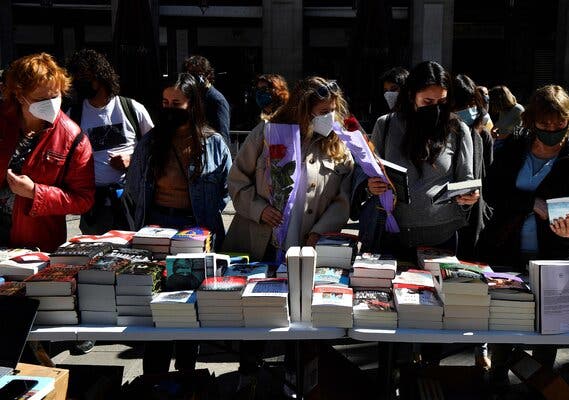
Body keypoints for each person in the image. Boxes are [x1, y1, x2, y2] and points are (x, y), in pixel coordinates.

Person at [224, 76, 354, 397]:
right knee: (258, 315)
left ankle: (295, 378)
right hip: (263, 242)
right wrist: (258, 209)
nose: (329, 117)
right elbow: (237, 179)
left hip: (307, 246)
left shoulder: (338, 143)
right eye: (322, 111)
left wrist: (321, 231)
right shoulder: (268, 134)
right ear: (302, 110)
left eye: (333, 111)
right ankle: (248, 374)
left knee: (303, 319)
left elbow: (343, 199)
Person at [481, 85, 569, 384]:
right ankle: (497, 378)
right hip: (507, 247)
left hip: (555, 255)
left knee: (549, 328)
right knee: (505, 321)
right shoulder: (514, 147)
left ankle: (541, 384)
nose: (553, 133)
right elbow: (492, 192)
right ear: (531, 123)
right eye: (545, 126)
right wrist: (530, 202)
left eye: (561, 126)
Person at [122, 73, 232, 374]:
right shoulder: (150, 143)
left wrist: (204, 222)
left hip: (197, 234)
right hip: (157, 232)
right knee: (156, 311)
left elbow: (226, 188)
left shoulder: (214, 143)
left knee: (189, 311)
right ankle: (153, 378)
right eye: (164, 102)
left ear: (192, 105)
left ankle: (187, 377)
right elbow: (133, 190)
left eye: (176, 103)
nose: (169, 108)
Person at [352, 61, 478, 260]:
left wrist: (469, 197)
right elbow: (369, 170)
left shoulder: (458, 129)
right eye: (428, 102)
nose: (435, 108)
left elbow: (466, 179)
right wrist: (371, 185)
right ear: (411, 95)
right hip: (393, 234)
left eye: (441, 102)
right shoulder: (385, 125)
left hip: (442, 236)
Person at [0, 52, 94, 252]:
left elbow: (83, 200)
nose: (51, 104)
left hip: (36, 247)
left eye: (56, 96)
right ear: (19, 95)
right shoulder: (4, 121)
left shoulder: (72, 137)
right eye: (41, 99)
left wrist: (35, 192)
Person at [66, 48, 154, 235]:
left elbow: (156, 149)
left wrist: (132, 161)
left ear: (99, 77)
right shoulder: (73, 115)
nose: (78, 82)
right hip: (94, 207)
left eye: (84, 76)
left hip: (130, 201)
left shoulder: (132, 109)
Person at [452, 74, 494, 261]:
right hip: (443, 217)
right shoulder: (441, 135)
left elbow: (487, 177)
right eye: (461, 106)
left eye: (471, 105)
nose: (468, 111)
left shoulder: (482, 136)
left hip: (473, 214)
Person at [182, 55, 230, 143]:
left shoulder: (217, 100)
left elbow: (223, 137)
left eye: (196, 74)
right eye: (189, 73)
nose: (192, 78)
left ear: (207, 75)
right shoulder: (192, 97)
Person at [488, 85, 524, 150]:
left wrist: (500, 138)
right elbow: (502, 122)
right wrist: (493, 129)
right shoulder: (504, 110)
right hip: (500, 142)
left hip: (510, 146)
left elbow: (518, 132)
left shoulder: (518, 110)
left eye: (493, 101)